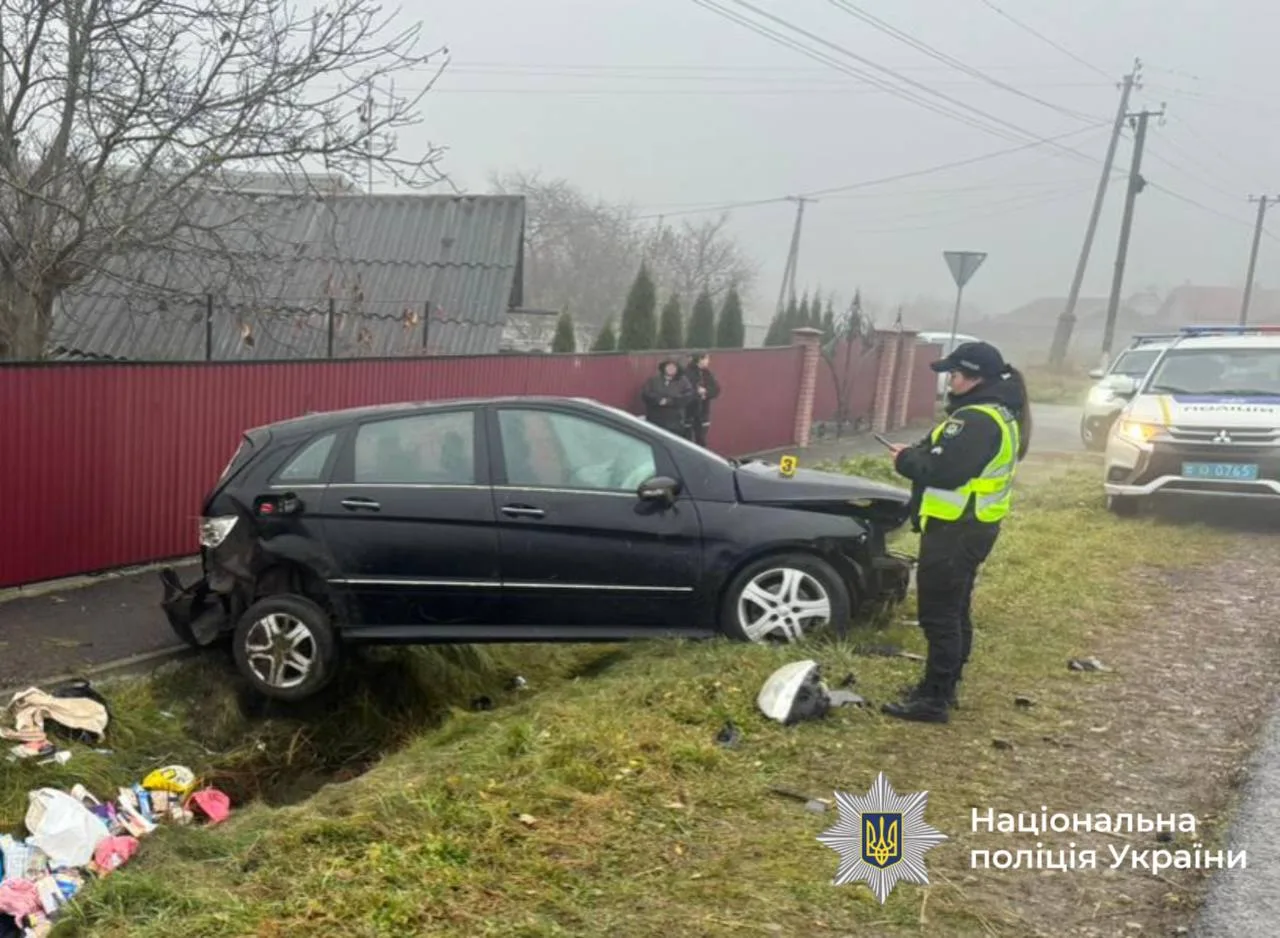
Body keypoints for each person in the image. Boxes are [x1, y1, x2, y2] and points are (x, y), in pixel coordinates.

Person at [880, 340, 1032, 725]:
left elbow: (944, 472)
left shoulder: (976, 420)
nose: (950, 380)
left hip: (956, 529)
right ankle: (943, 687)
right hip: (972, 527)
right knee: (956, 608)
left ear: (975, 378)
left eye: (955, 374)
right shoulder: (999, 413)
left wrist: (904, 460)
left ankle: (934, 700)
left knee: (939, 615)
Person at [641, 359, 695, 436]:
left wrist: (670, 401)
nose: (670, 369)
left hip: (675, 422)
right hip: (655, 420)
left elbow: (688, 396)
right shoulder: (654, 380)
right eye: (668, 366)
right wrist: (658, 400)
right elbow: (646, 394)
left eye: (673, 367)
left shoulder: (683, 381)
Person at [682, 351, 721, 447]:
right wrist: (697, 393)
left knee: (701, 439)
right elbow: (684, 390)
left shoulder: (707, 373)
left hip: (703, 412)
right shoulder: (686, 373)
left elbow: (716, 389)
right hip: (689, 412)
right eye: (706, 359)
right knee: (687, 440)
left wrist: (706, 392)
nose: (708, 361)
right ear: (700, 359)